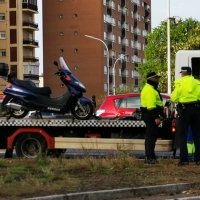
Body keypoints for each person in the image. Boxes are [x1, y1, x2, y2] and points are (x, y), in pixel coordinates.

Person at [171, 66, 200, 166]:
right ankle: (198, 159)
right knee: (197, 135)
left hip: (184, 110)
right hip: (196, 110)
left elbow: (174, 98)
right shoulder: (197, 83)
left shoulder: (180, 83)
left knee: (182, 135)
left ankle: (184, 160)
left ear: (183, 73)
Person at [140, 72, 163, 164]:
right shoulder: (150, 90)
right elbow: (151, 106)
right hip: (150, 115)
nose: (158, 80)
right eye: (156, 78)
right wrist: (156, 117)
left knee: (151, 136)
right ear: (152, 79)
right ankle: (149, 157)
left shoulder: (151, 88)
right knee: (151, 137)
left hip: (149, 115)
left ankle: (150, 156)